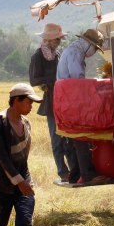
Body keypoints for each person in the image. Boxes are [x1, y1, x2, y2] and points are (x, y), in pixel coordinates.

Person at [0, 83, 42, 226]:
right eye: (29, 102)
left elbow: (23, 158)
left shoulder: (26, 123)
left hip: (24, 178)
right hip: (1, 182)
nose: (31, 106)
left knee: (25, 219)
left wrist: (24, 181)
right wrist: (19, 181)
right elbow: (1, 157)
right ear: (17, 100)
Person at [56, 28, 108, 185]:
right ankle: (88, 175)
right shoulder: (75, 53)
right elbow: (78, 79)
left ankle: (75, 175)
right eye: (95, 49)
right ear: (89, 44)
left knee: (74, 138)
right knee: (81, 137)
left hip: (67, 99)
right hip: (72, 99)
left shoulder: (72, 49)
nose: (94, 53)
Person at [30, 22, 76, 183]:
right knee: (57, 139)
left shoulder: (57, 54)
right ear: (49, 40)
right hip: (51, 102)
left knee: (68, 138)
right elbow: (34, 79)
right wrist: (51, 83)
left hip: (63, 100)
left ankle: (74, 171)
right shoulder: (38, 56)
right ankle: (62, 171)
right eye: (57, 39)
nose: (59, 42)